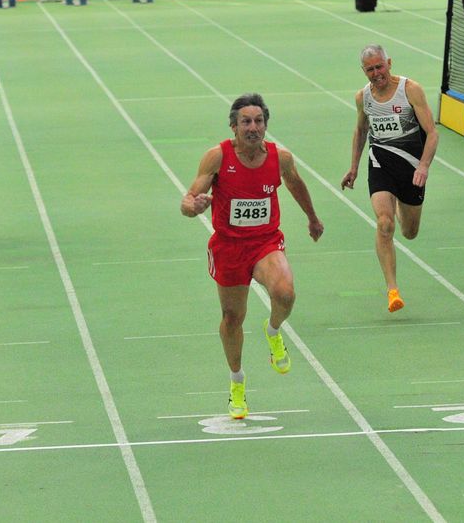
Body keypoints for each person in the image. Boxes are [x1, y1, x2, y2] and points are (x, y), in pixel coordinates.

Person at [181, 93, 324, 420]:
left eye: (259, 121)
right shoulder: (217, 157)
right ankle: (237, 382)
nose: (253, 127)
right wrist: (194, 206)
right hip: (229, 247)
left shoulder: (280, 158)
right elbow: (188, 200)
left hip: (265, 243)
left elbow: (296, 184)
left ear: (266, 125)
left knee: (285, 294)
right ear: (233, 126)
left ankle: (273, 331)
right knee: (233, 318)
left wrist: (312, 218)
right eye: (246, 122)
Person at [340, 45, 439, 313]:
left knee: (409, 232)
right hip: (380, 164)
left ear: (389, 63)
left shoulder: (410, 90)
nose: (376, 73)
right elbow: (361, 130)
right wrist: (353, 168)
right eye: (370, 69)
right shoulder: (363, 97)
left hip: (411, 168)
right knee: (384, 224)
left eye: (379, 67)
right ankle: (392, 290)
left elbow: (432, 133)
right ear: (364, 71)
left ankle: (399, 204)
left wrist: (424, 166)